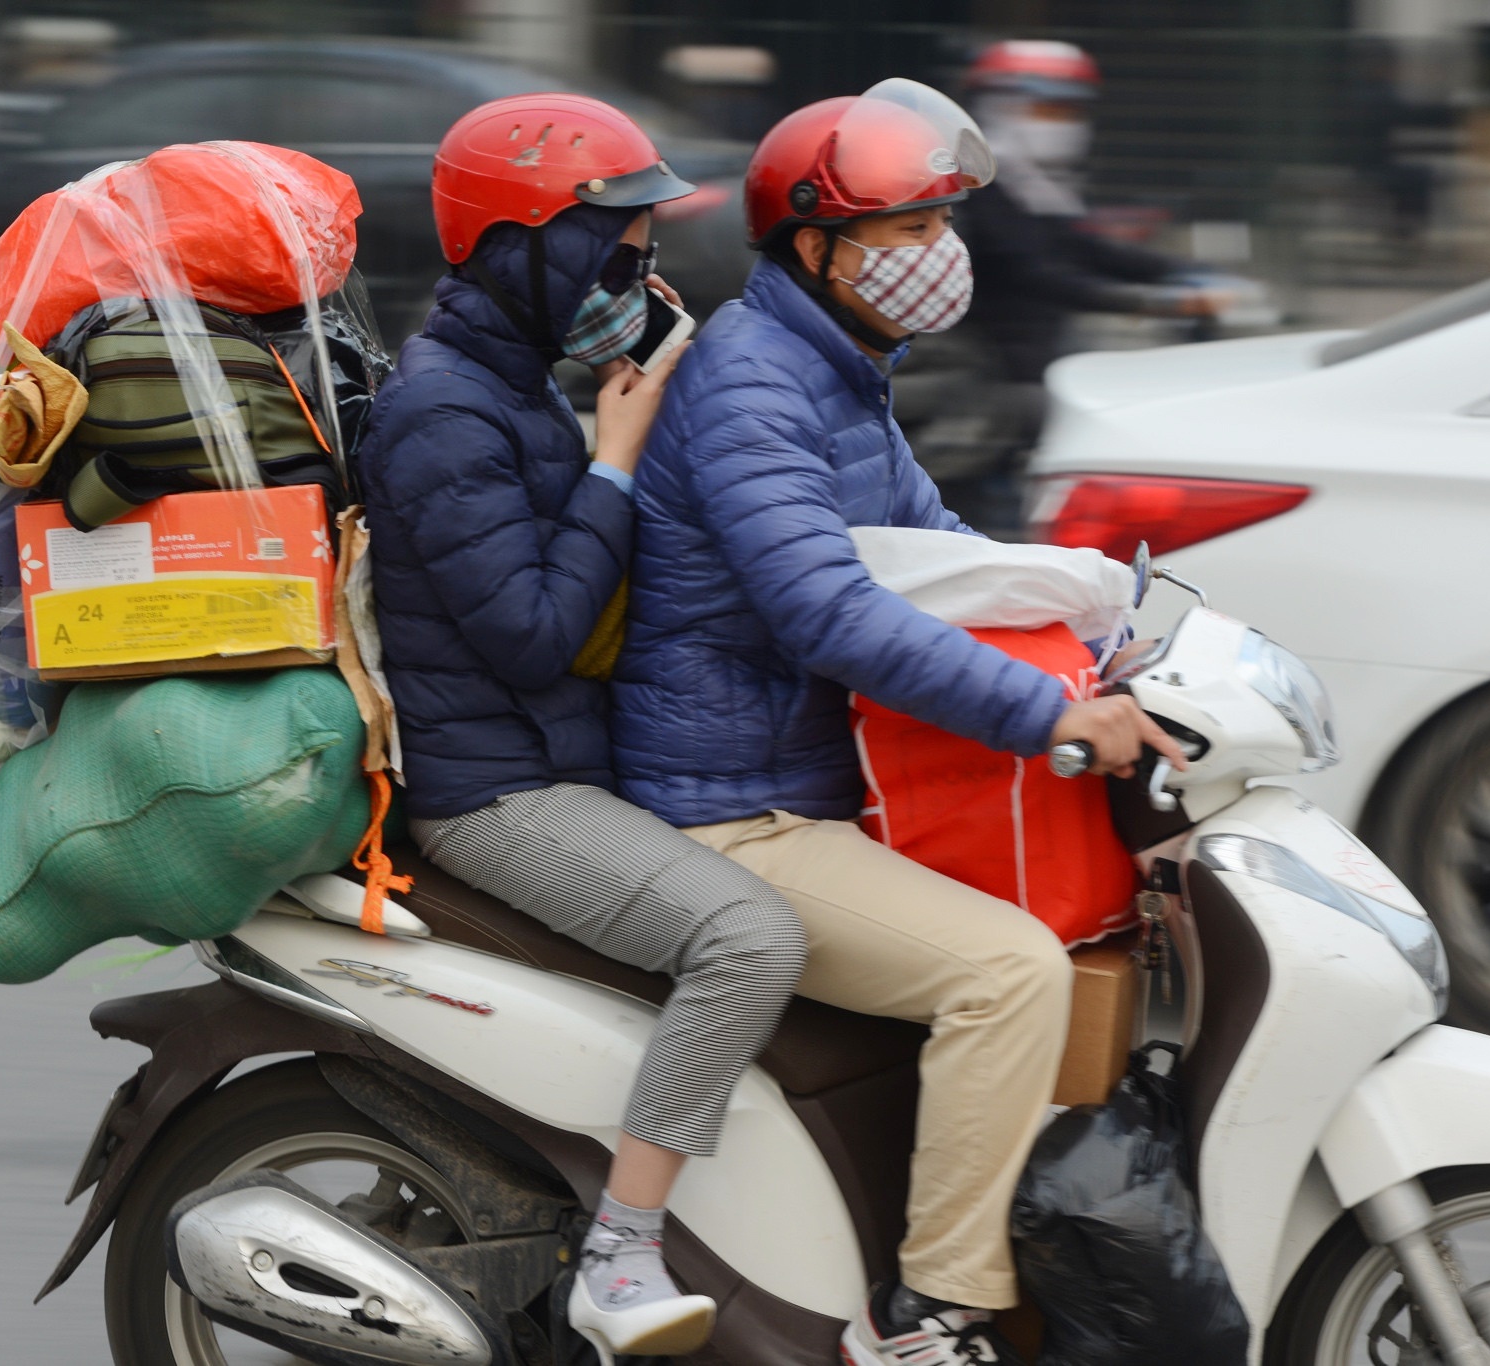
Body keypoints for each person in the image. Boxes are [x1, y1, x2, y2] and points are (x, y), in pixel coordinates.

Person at [610, 81, 1185, 1366]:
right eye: (907, 230)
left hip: (817, 775)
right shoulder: (755, 389)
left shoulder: (842, 372)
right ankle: (932, 1314)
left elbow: (944, 559)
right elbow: (830, 615)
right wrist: (1051, 717)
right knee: (1007, 970)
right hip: (736, 806)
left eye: (942, 224)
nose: (939, 254)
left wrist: (1108, 638)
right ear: (812, 246)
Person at [354, 93, 807, 1361]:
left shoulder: (518, 383)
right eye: (617, 249)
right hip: (493, 794)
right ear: (522, 246)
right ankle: (620, 1255)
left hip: (555, 755)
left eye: (646, 251)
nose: (641, 274)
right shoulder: (448, 410)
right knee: (747, 939)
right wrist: (615, 457)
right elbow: (535, 633)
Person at [944, 40, 1218, 528]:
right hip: (988, 373)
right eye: (1049, 109)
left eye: (1073, 111)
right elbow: (1035, 273)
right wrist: (1147, 301)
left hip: (1038, 359)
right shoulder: (978, 187)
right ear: (999, 107)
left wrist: (1174, 271)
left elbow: (1083, 248)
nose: (1064, 125)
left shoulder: (1036, 183)